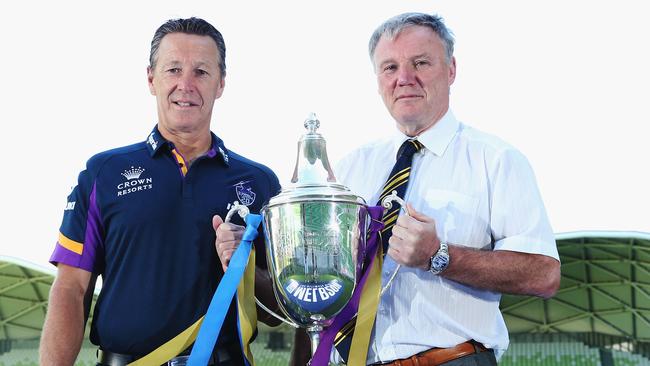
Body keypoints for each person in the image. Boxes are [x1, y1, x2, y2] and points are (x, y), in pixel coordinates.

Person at [292, 12, 561, 366]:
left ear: (451, 70)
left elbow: (544, 274)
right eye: (390, 68)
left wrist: (439, 255)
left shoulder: (496, 160)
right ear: (377, 81)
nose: (404, 78)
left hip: (453, 359)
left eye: (420, 62)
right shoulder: (350, 168)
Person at [39, 17, 281, 366]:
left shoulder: (260, 182)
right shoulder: (103, 172)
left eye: (201, 71)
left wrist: (245, 265)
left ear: (221, 84)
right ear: (151, 79)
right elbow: (72, 289)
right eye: (173, 70)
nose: (186, 85)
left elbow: (277, 311)